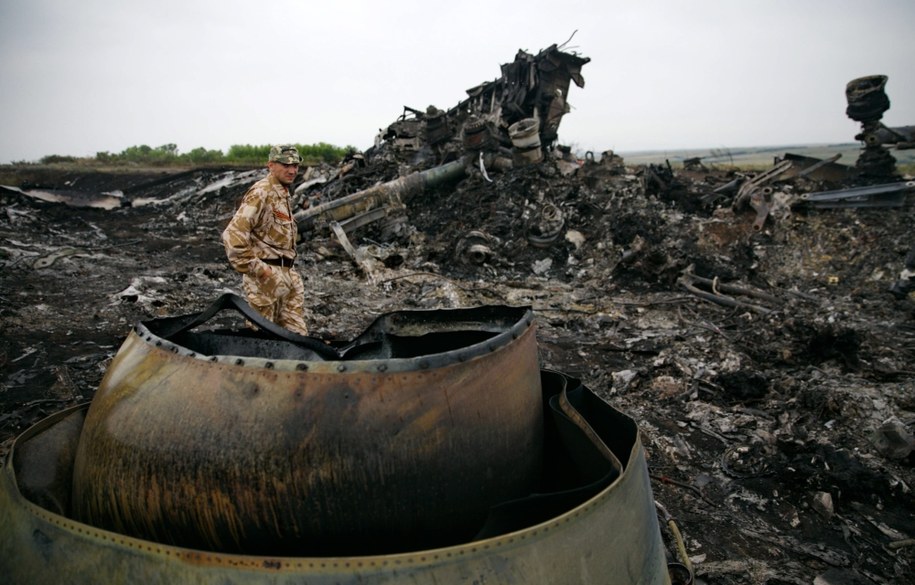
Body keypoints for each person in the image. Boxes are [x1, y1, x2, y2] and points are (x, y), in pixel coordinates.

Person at [222, 144, 309, 335]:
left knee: (297, 339)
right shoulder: (261, 192)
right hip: (265, 281)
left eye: (295, 165)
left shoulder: (283, 193)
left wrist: (290, 276)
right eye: (286, 165)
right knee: (264, 340)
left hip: (287, 276)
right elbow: (233, 236)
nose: (292, 170)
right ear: (271, 165)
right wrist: (260, 271)